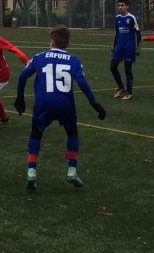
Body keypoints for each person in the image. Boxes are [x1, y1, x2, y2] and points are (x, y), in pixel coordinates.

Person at [14, 25, 105, 190]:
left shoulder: (39, 57)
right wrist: (95, 104)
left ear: (51, 42)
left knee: (36, 133)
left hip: (43, 103)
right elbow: (82, 81)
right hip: (65, 104)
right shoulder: (74, 60)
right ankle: (72, 170)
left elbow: (22, 75)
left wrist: (20, 97)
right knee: (72, 132)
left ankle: (31, 171)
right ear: (68, 44)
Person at [110, 0, 142, 100]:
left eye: (122, 5)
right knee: (113, 67)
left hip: (129, 47)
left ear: (127, 6)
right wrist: (114, 47)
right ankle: (121, 87)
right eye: (119, 5)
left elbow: (138, 34)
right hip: (119, 47)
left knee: (127, 69)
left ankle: (129, 93)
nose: (120, 7)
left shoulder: (132, 18)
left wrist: (138, 48)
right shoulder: (117, 18)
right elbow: (117, 33)